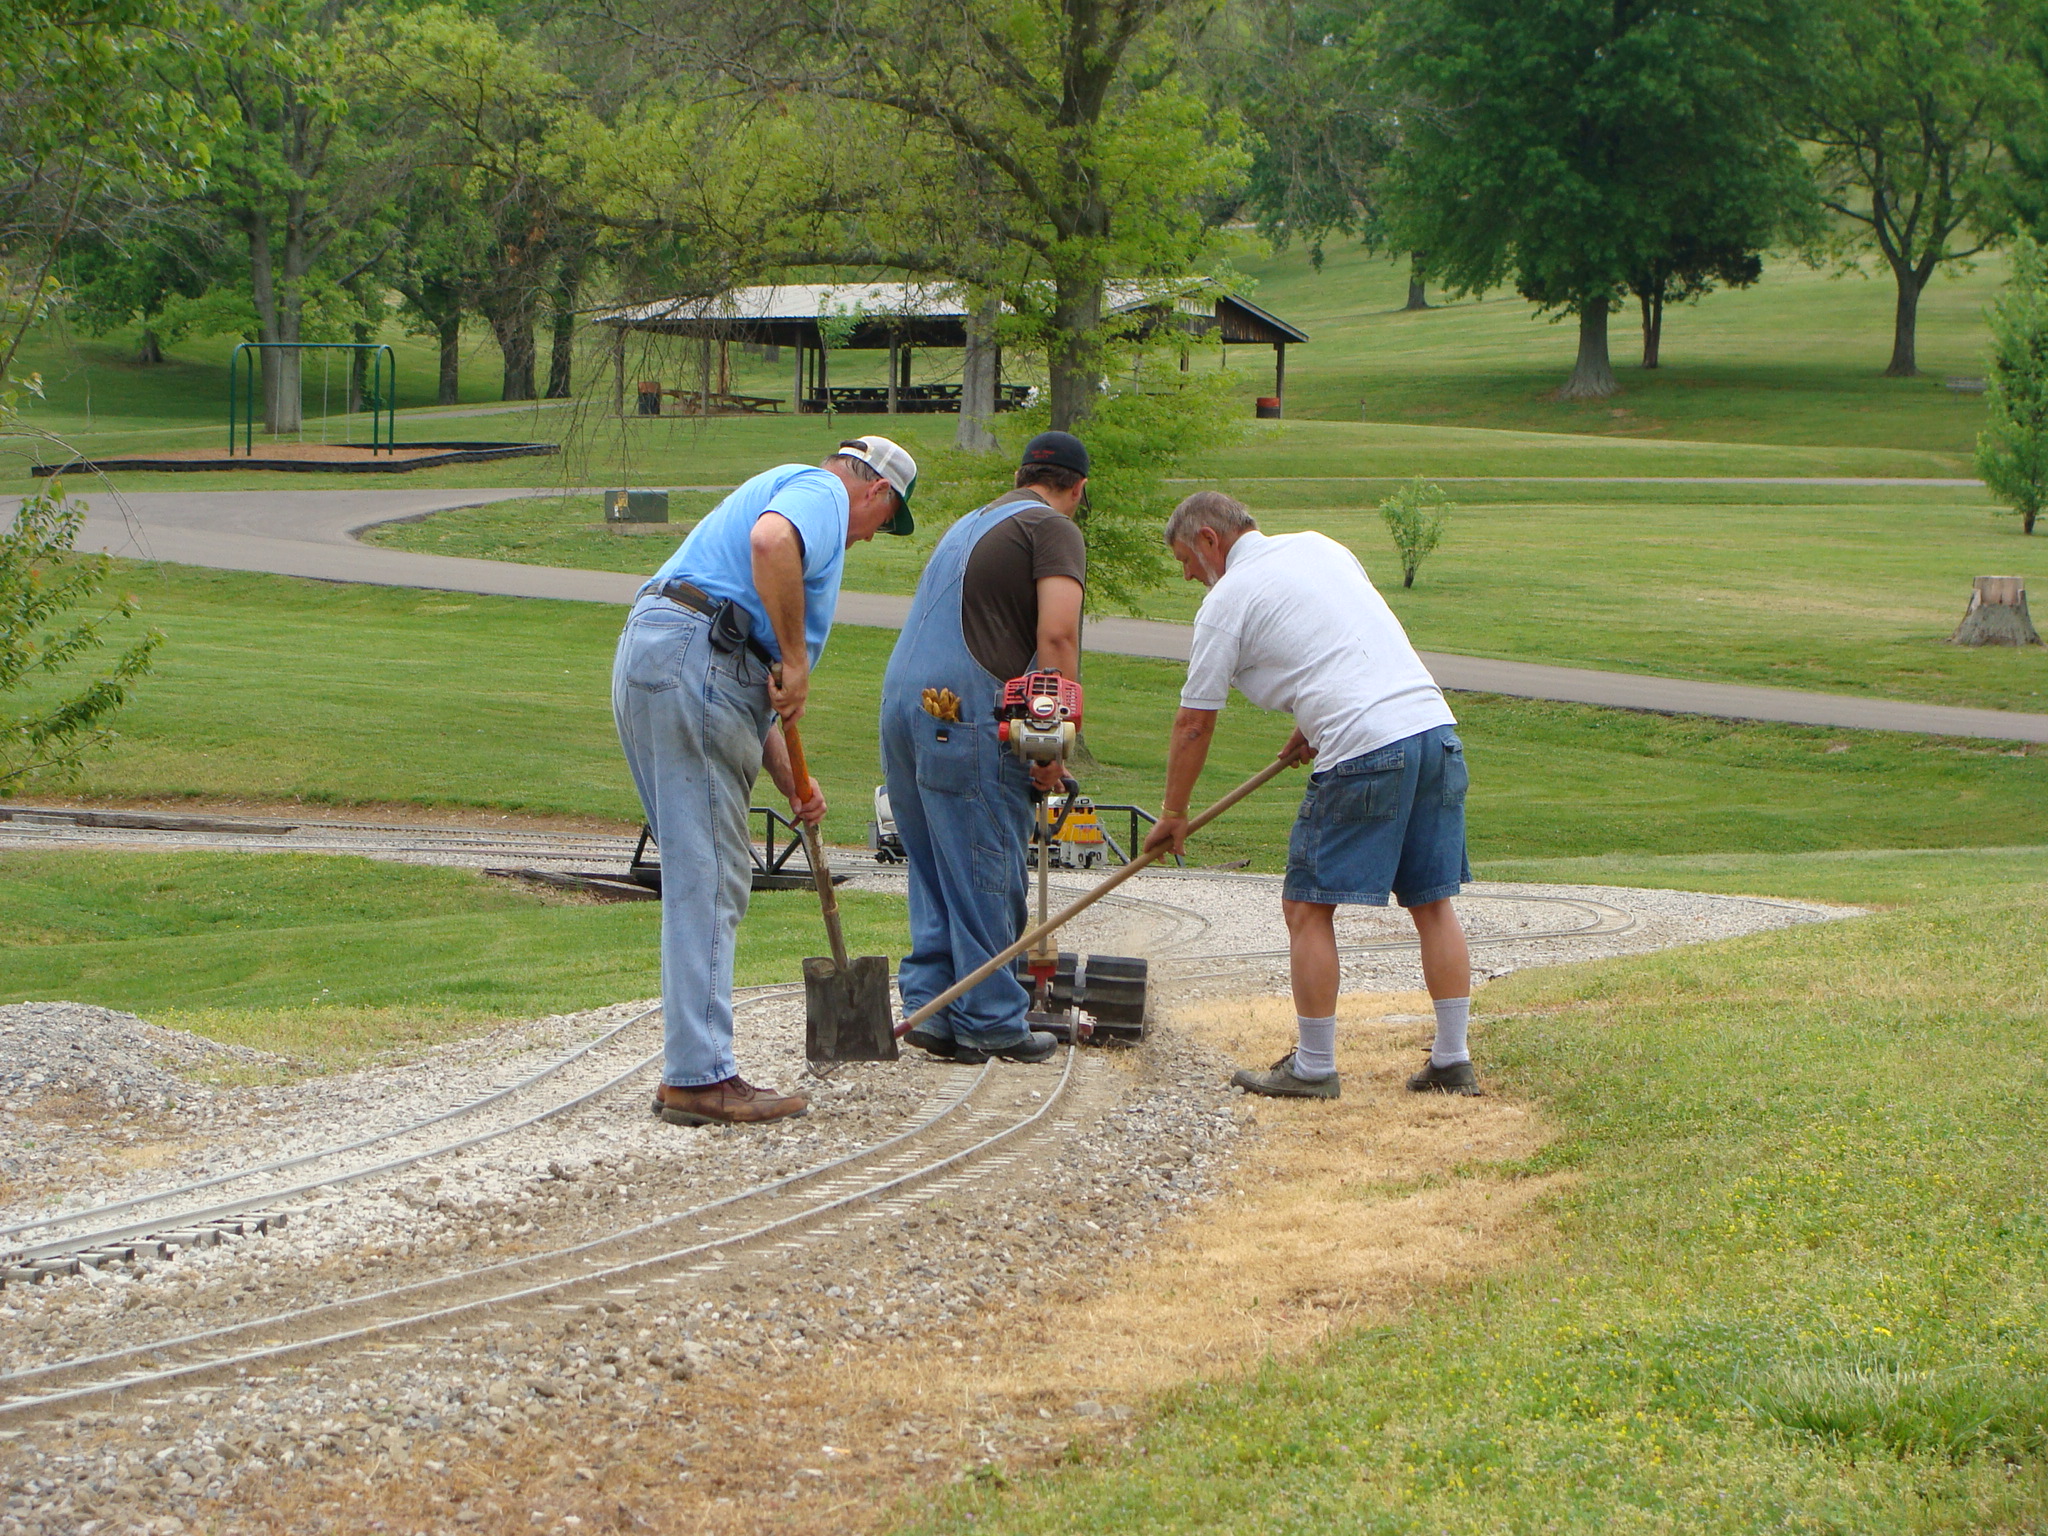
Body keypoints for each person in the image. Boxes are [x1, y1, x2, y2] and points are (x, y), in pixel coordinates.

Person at [615, 436, 919, 1125]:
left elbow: (753, 682)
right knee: (712, 875)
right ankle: (699, 1076)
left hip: (669, 651)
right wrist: (794, 656)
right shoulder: (821, 495)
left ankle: (695, 1067)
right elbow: (771, 544)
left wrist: (789, 782)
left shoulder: (784, 486)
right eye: (885, 520)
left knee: (700, 869)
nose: (870, 538)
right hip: (699, 655)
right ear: (874, 490)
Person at [1141, 491, 1482, 1099]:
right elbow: (1342, 642)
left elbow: (1194, 721)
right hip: (1434, 731)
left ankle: (1315, 1068)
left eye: (1185, 561)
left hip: (1366, 747)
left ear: (1209, 540)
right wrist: (1310, 721)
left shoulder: (1228, 598)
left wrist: (1173, 813)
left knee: (1306, 908)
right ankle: (1453, 1061)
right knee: (1432, 903)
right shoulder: (1320, 547)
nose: (1189, 575)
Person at [881, 431, 1090, 1064]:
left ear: (1023, 473)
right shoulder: (1052, 530)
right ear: (1077, 489)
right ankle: (992, 1018)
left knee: (934, 863)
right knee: (984, 861)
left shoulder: (968, 525)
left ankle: (934, 1008)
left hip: (903, 709)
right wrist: (1051, 742)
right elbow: (1056, 636)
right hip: (967, 711)